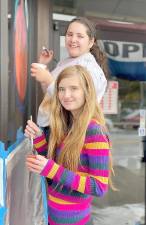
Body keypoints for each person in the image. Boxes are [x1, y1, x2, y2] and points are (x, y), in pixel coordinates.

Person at [25, 65, 112, 225]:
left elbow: (99, 186)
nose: (66, 95)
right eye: (61, 89)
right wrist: (38, 138)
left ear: (87, 91)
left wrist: (51, 169)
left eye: (73, 88)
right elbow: (54, 165)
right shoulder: (67, 123)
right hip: (51, 217)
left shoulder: (94, 131)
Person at [30, 17, 108, 128]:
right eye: (69, 34)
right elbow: (50, 94)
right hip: (52, 128)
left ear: (91, 42)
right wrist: (43, 66)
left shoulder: (90, 68)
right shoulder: (65, 62)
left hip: (68, 131)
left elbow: (77, 102)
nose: (73, 39)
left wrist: (48, 80)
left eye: (80, 36)